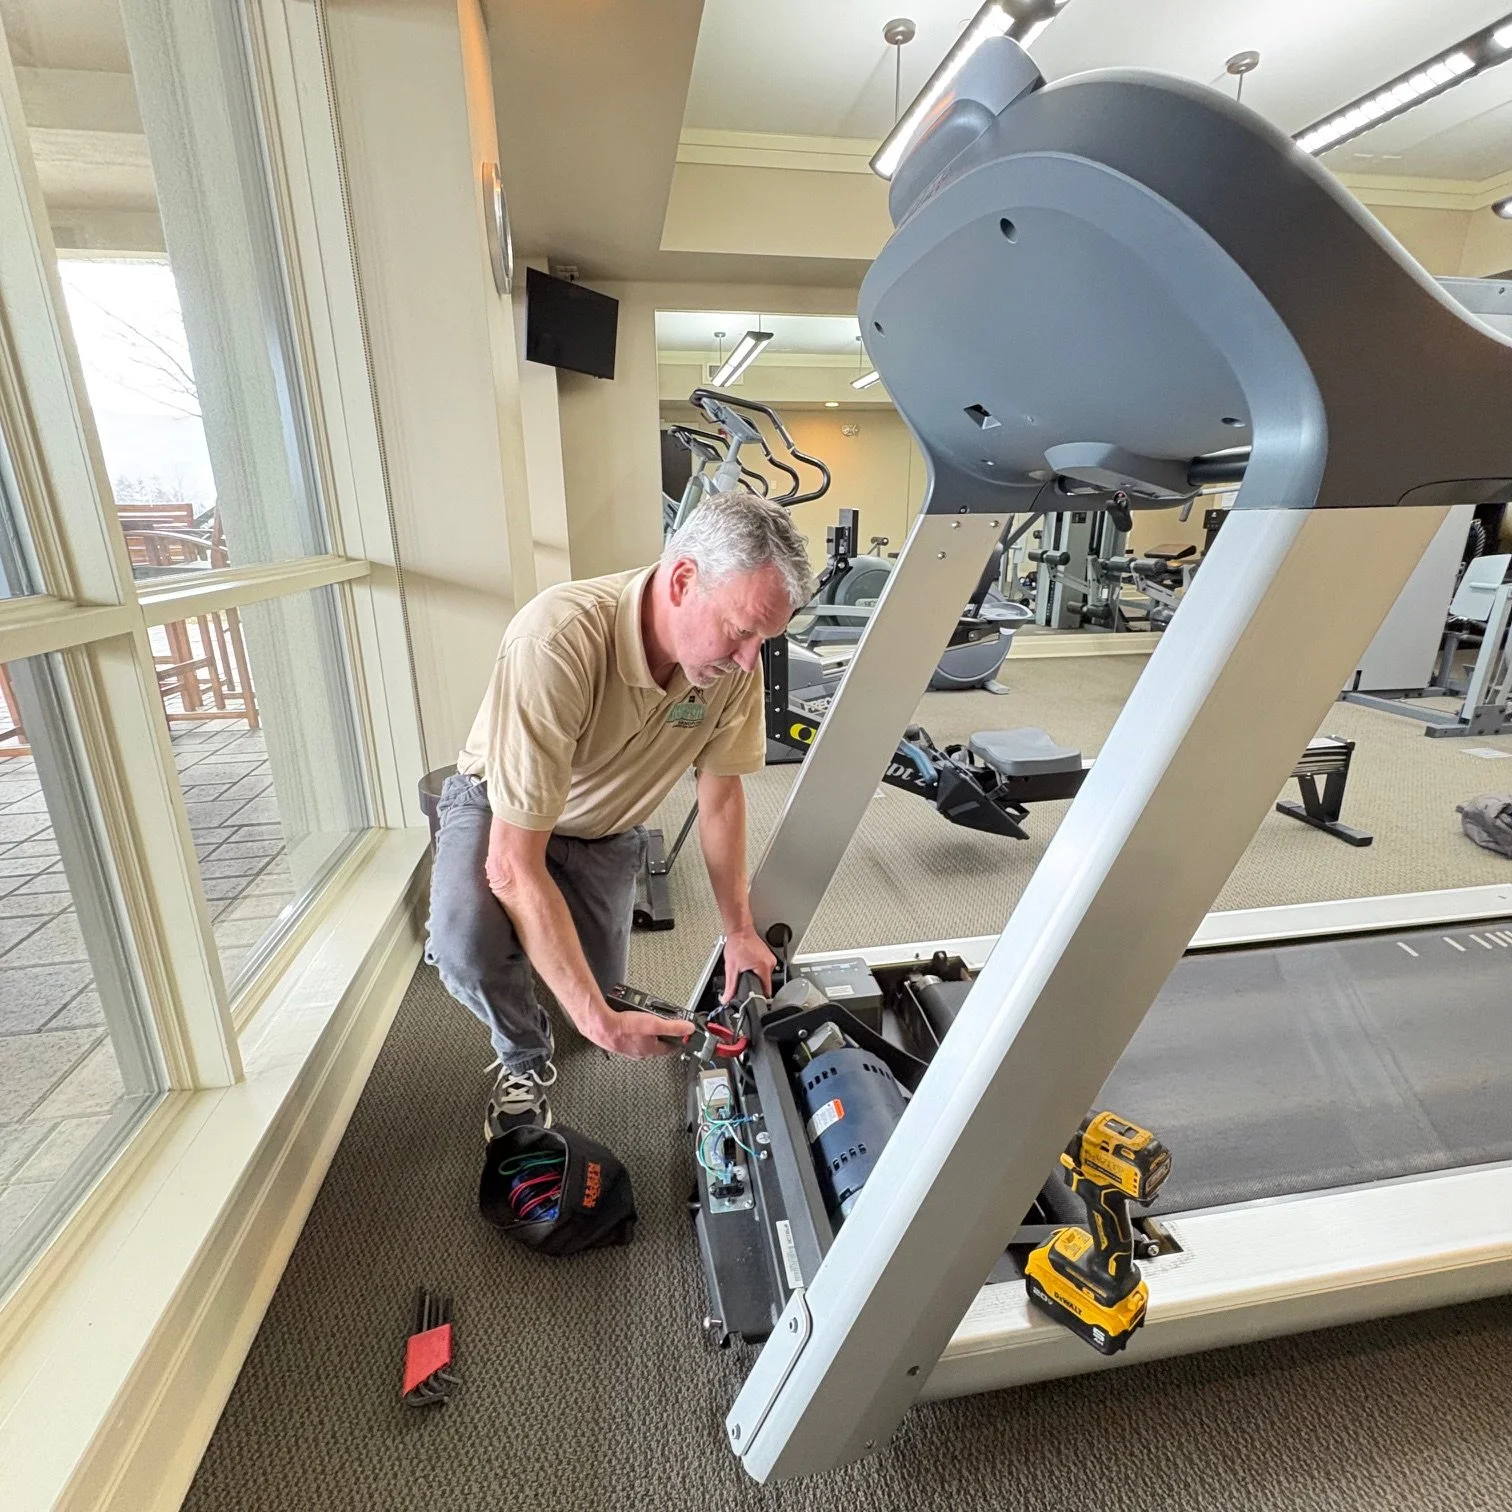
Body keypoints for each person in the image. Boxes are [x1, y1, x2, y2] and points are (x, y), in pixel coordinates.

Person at [425, 489, 814, 1137]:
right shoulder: (557, 639)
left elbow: (720, 798)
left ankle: (543, 973)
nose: (751, 661)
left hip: (605, 829)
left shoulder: (733, 671)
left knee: (595, 985)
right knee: (468, 947)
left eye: (765, 640)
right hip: (502, 810)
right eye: (742, 630)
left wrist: (739, 931)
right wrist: (598, 1023)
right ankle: (522, 1055)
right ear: (683, 580)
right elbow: (513, 866)